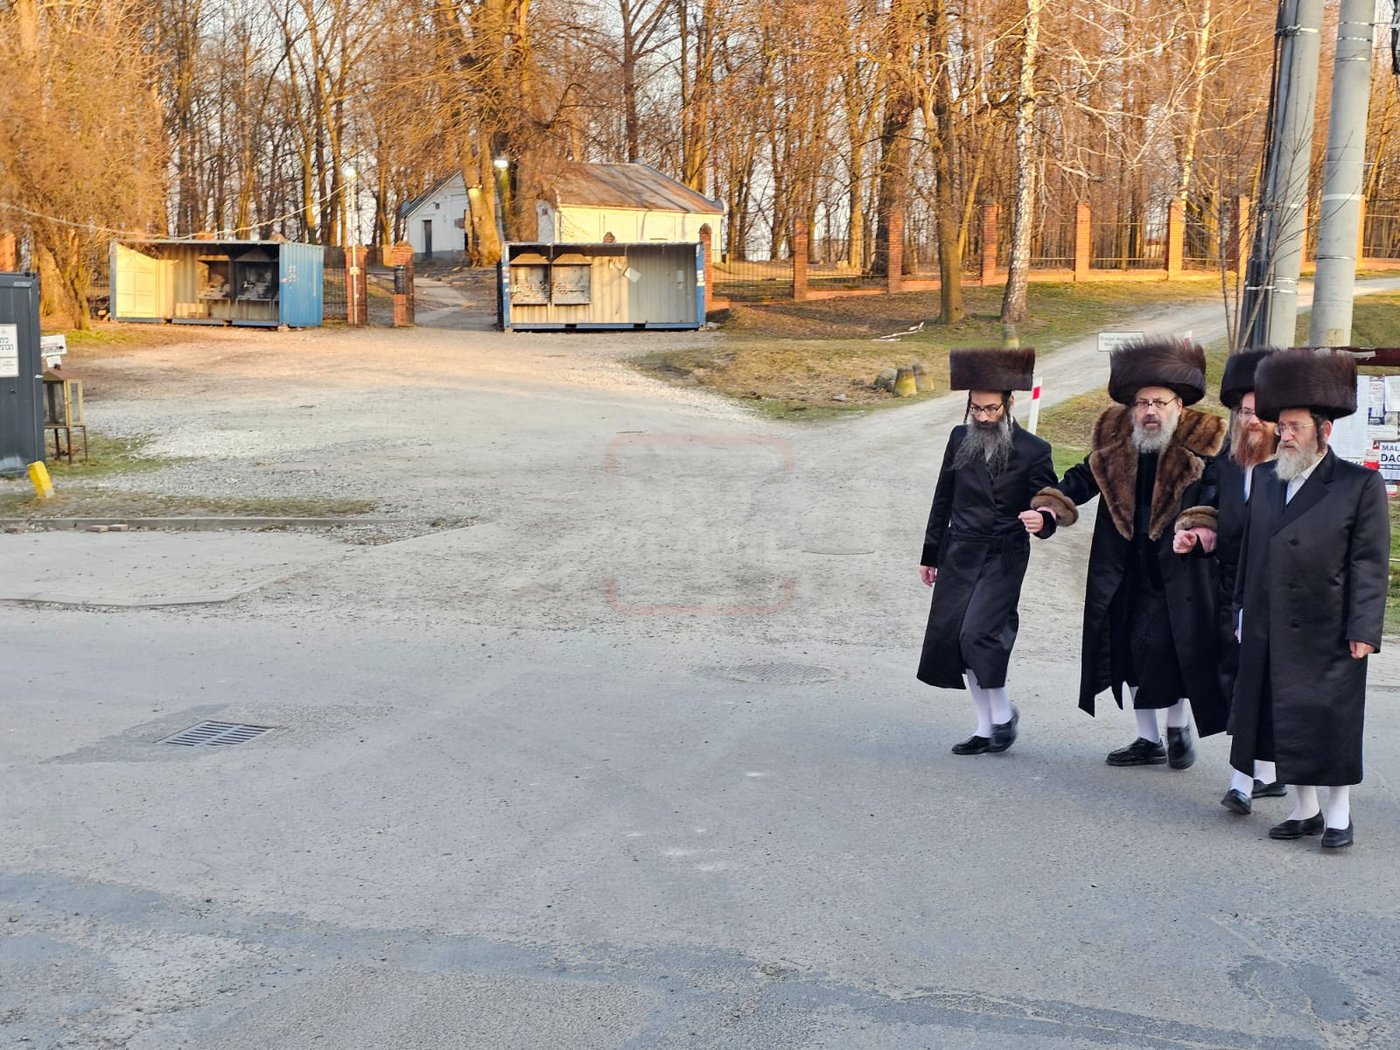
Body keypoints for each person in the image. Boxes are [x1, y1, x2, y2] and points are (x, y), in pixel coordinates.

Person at [1031, 340, 1228, 767]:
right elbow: (1082, 479)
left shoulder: (1208, 441)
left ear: (1179, 404)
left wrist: (1198, 527)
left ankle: (1177, 727)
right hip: (1123, 562)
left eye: (1159, 402)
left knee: (1169, 647)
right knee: (1127, 646)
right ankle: (1147, 738)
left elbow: (1218, 493)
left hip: (1179, 565)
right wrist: (1049, 510)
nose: (1150, 411)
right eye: (1142, 403)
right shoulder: (1116, 437)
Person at [1225, 348, 1387, 849]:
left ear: (1324, 430)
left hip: (1330, 625)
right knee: (1280, 715)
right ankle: (1305, 810)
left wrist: (1364, 628)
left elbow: (1369, 561)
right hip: (1268, 619)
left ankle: (1338, 816)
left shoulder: (1359, 483)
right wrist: (1240, 608)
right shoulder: (1268, 479)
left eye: (1295, 426)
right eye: (1282, 427)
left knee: (1327, 721)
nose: (1285, 435)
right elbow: (1250, 551)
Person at [918, 347, 1071, 755]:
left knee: (979, 634)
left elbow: (1049, 500)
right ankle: (986, 727)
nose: (983, 417)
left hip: (1004, 554)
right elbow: (943, 496)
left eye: (991, 409)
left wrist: (1045, 520)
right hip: (959, 552)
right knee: (956, 639)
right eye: (976, 408)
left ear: (1008, 404)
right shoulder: (959, 438)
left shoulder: (1034, 449)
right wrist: (930, 553)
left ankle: (1002, 714)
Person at [1174, 348, 1284, 801]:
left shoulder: (1299, 469)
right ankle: (1261, 774)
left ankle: (1250, 780)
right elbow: (1213, 513)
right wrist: (1197, 535)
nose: (1250, 421)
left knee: (1262, 685)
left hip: (1281, 595)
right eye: (1243, 412)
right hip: (1232, 589)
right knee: (1239, 680)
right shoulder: (1226, 464)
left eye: (1259, 413)